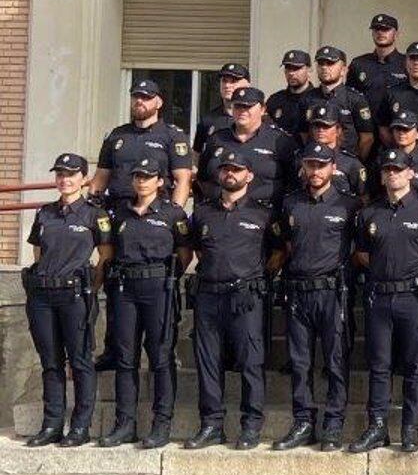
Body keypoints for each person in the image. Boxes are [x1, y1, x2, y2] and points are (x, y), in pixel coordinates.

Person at [348, 149, 418, 454]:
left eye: (398, 169)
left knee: (414, 365)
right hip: (380, 296)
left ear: (410, 174)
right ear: (381, 176)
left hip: (412, 298)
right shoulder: (369, 214)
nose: (392, 174)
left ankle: (410, 428)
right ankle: (377, 427)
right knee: (379, 365)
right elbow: (362, 253)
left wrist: (413, 274)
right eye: (387, 169)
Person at [97, 153, 190, 448]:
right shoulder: (120, 213)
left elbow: (185, 253)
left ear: (160, 182)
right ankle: (125, 424)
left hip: (158, 288)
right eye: (138, 176)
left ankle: (161, 424)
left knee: (161, 357)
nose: (142, 181)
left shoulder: (173, 214)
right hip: (125, 288)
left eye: (148, 177)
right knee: (126, 358)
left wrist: (164, 277)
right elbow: (110, 251)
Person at [269, 144, 358, 451]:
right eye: (311, 165)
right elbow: (285, 245)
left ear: (333, 167)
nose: (316, 171)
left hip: (332, 292)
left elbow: (358, 250)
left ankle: (333, 423)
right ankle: (303, 421)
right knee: (299, 362)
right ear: (303, 167)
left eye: (321, 165)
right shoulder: (290, 202)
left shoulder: (349, 205)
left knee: (335, 360)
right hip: (298, 291)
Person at [183, 149, 273, 450]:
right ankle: (211, 425)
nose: (230, 174)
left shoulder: (262, 213)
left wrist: (254, 277)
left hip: (245, 296)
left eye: (236, 169)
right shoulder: (203, 213)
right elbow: (197, 250)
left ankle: (251, 426)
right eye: (225, 169)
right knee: (208, 362)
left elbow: (277, 252)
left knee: (251, 362)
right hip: (209, 295)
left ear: (249, 175)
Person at [23, 153, 106, 447]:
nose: (64, 180)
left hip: (75, 296)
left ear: (83, 178)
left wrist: (92, 289)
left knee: (81, 362)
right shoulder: (45, 213)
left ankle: (80, 427)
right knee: (51, 362)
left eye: (70, 174)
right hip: (43, 296)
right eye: (60, 174)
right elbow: (38, 252)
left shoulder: (95, 214)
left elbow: (105, 256)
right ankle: (52, 425)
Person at [92, 77, 193, 206]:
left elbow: (182, 180)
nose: (139, 101)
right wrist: (91, 208)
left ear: (159, 103)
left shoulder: (173, 136)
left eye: (146, 97)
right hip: (118, 208)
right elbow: (101, 177)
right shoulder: (116, 135)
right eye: (136, 97)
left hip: (156, 209)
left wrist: (175, 212)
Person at [196, 85, 297, 210]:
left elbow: (294, 185)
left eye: (248, 107)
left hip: (265, 214)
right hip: (219, 212)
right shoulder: (216, 139)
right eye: (238, 106)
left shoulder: (280, 141)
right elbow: (202, 179)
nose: (242, 111)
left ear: (262, 109)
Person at [303, 45, 376, 158]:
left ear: (343, 70)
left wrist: (354, 162)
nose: (324, 67)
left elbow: (367, 138)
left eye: (330, 63)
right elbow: (303, 133)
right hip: (315, 160)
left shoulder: (355, 99)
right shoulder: (308, 98)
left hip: (346, 161)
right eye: (321, 63)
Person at [348, 12, 406, 103]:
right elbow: (349, 97)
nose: (380, 32)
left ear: (396, 34)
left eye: (385, 29)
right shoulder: (359, 63)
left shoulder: (407, 63)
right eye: (376, 29)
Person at [267, 49, 316, 137]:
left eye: (297, 68)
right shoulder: (275, 100)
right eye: (288, 68)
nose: (291, 73)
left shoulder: (318, 100)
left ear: (309, 70)